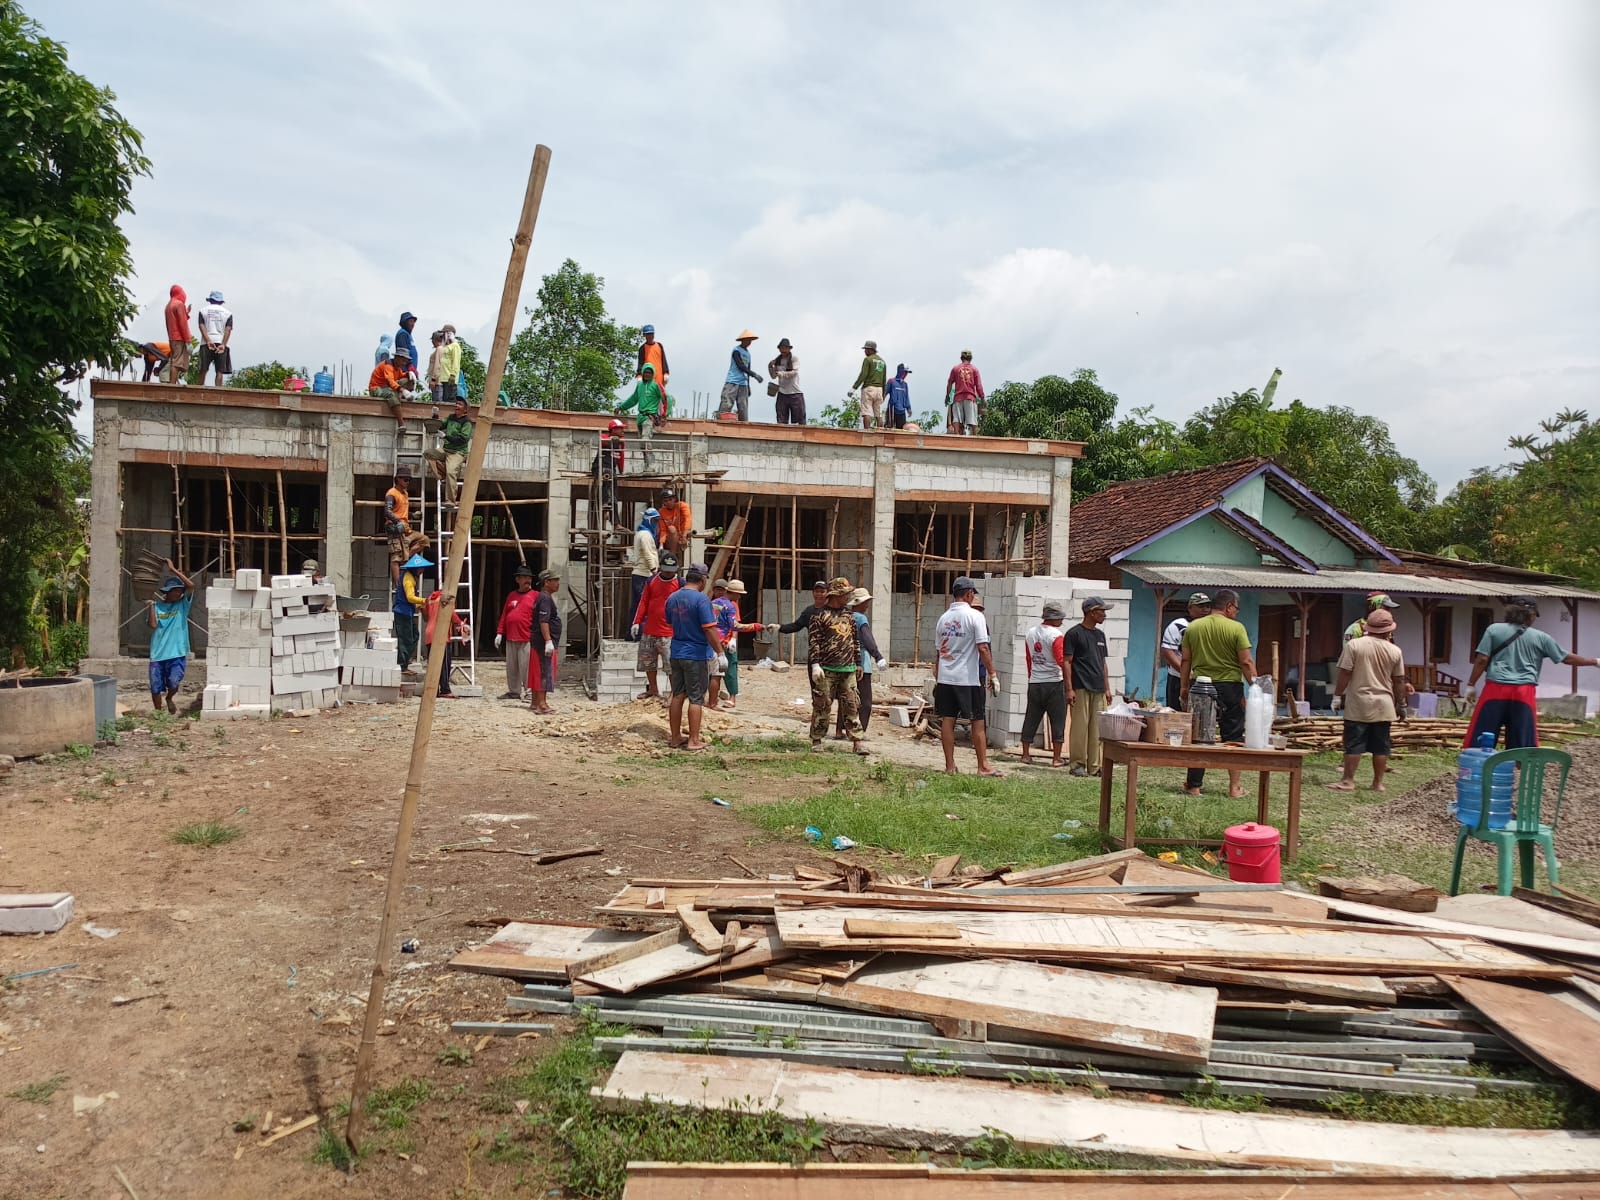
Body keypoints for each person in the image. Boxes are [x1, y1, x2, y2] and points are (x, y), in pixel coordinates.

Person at [1463, 597, 1598, 749]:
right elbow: (1566, 658)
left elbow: (1482, 659)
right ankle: (1521, 769)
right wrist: (1594, 661)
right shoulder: (1541, 637)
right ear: (1531, 615)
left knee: (1483, 734)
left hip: (1496, 689)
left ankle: (1477, 766)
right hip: (1524, 691)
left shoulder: (1494, 630)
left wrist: (1471, 684)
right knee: (1523, 739)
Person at [1180, 588, 1256, 798]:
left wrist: (1184, 687)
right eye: (1236, 609)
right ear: (1229, 606)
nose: (1236, 613)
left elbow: (1185, 660)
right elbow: (1246, 661)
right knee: (1233, 736)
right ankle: (1234, 787)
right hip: (1230, 686)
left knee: (1199, 735)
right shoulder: (1236, 628)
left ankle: (1194, 785)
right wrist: (1256, 687)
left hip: (1200, 686)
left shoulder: (1193, 627)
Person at [1330, 608, 1408, 791]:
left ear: (1368, 627)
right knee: (1381, 745)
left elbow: (1345, 673)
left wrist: (1337, 695)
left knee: (1354, 743)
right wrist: (1401, 704)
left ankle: (1348, 781)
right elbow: (1399, 680)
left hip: (1359, 702)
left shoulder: (1355, 645)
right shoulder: (1395, 651)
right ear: (1389, 630)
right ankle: (1378, 783)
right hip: (1384, 704)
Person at [934, 577, 1001, 776]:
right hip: (968, 679)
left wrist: (939, 676)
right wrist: (993, 674)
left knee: (948, 720)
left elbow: (938, 652)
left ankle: (950, 766)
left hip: (946, 678)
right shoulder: (975, 616)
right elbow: (982, 647)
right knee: (977, 721)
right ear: (970, 594)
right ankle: (983, 766)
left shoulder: (943, 618)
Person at [663, 564, 724, 751]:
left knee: (678, 694)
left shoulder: (672, 598)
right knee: (696, 698)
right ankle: (694, 740)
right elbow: (709, 628)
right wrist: (720, 652)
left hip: (676, 652)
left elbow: (668, 621)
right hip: (695, 654)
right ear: (703, 580)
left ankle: (675, 738)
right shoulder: (701, 600)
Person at [808, 578, 868, 754]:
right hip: (826, 669)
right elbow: (814, 643)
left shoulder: (849, 616)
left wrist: (858, 663)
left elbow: (855, 641)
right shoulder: (819, 616)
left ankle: (857, 742)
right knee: (822, 705)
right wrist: (815, 665)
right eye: (845, 594)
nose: (848, 597)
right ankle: (817, 740)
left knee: (852, 705)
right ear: (837, 595)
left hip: (847, 669)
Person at [1063, 598, 1115, 777]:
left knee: (1097, 729)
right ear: (1092, 612)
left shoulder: (1100, 636)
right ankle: (1077, 764)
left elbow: (1103, 663)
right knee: (1080, 727)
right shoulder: (1074, 634)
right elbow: (1067, 662)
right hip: (1081, 687)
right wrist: (1069, 689)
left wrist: (1107, 687)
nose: (1104, 614)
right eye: (1102, 611)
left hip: (1099, 688)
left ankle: (1095, 766)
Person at [1020, 600, 1070, 767]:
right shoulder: (1056, 635)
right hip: (1054, 682)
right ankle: (1056, 758)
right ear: (1054, 618)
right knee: (1057, 720)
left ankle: (1025, 754)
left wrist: (1031, 677)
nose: (1062, 621)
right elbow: (1061, 660)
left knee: (1031, 718)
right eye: (1060, 618)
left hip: (1035, 682)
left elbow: (1029, 658)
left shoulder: (1030, 633)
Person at [147, 560, 196, 713]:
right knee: (155, 688)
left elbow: (191, 586)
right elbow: (153, 625)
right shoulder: (157, 606)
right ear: (167, 592)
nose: (178, 593)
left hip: (177, 652)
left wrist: (174, 569)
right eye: (174, 591)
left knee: (174, 683)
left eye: (179, 591)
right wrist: (151, 606)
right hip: (158, 654)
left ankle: (169, 698)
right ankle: (158, 712)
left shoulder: (182, 605)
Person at [630, 552, 681, 700]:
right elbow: (644, 601)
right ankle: (653, 689)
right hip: (650, 630)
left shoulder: (680, 584)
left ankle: (674, 693)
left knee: (671, 665)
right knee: (648, 662)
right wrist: (636, 621)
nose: (667, 573)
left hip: (669, 632)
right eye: (665, 569)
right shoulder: (651, 581)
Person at [839, 587, 886, 737]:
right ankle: (860, 731)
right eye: (866, 602)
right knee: (865, 702)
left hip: (845, 661)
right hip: (862, 664)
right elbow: (868, 639)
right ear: (859, 603)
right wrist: (878, 656)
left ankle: (840, 730)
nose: (868, 605)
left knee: (847, 697)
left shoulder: (845, 616)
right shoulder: (860, 619)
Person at [716, 580, 763, 710]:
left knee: (714, 671)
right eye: (739, 594)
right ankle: (729, 698)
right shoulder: (730, 606)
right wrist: (755, 626)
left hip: (712, 642)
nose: (740, 596)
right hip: (724, 641)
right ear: (734, 593)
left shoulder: (712, 604)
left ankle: (711, 700)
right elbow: (735, 625)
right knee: (729, 668)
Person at [1160, 592, 1212, 709]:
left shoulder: (1212, 627)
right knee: (1177, 714)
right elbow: (1168, 651)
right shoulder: (1179, 625)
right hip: (1178, 679)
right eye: (1200, 606)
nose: (1205, 609)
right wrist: (1187, 673)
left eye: (1207, 606)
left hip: (1205, 680)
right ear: (1190, 608)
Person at [495, 562, 537, 701]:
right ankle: (514, 691)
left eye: (529, 577)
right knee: (512, 667)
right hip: (511, 637)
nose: (527, 580)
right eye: (524, 577)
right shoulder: (512, 595)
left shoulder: (535, 596)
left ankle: (530, 692)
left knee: (526, 667)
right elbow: (505, 615)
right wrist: (500, 632)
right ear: (517, 579)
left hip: (526, 637)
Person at [616, 363, 670, 465]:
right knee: (642, 445)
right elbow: (633, 399)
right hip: (640, 417)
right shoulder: (640, 386)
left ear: (652, 374)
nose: (647, 374)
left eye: (649, 372)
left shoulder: (656, 385)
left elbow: (667, 399)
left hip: (649, 417)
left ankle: (651, 466)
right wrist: (621, 407)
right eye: (645, 372)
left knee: (646, 440)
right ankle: (647, 466)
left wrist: (664, 415)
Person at [384, 465, 428, 586]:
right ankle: (398, 586)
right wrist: (398, 522)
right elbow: (387, 511)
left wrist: (412, 515)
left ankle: (406, 555)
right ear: (398, 479)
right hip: (395, 529)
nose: (407, 482)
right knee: (395, 558)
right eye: (405, 479)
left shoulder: (405, 494)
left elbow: (399, 510)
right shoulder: (391, 494)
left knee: (424, 540)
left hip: (405, 529)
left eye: (409, 480)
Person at [423, 395, 472, 504]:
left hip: (458, 452)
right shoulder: (451, 417)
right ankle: (441, 475)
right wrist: (435, 417)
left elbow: (462, 439)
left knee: (451, 472)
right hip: (446, 450)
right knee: (428, 453)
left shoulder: (467, 422)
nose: (456, 406)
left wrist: (446, 437)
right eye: (456, 403)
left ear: (465, 409)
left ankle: (450, 500)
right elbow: (440, 426)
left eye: (459, 404)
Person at [423, 586, 468, 697]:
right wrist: (460, 624)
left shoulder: (431, 598)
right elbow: (451, 614)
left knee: (433, 664)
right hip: (440, 633)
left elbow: (426, 616)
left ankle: (433, 690)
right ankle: (445, 689)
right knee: (445, 664)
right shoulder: (446, 600)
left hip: (429, 633)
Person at [529, 569, 562, 714]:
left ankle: (535, 702)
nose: (558, 583)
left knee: (539, 670)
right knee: (544, 671)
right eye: (555, 580)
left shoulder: (542, 597)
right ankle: (542, 704)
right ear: (546, 582)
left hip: (538, 641)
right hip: (543, 642)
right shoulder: (545, 598)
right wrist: (548, 640)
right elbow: (543, 621)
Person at [774, 580, 829, 662]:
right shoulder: (809, 612)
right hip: (814, 654)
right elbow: (796, 626)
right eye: (816, 591)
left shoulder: (832, 611)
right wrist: (779, 627)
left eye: (822, 592)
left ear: (827, 593)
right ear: (813, 593)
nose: (819, 594)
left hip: (830, 653)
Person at [393, 553, 430, 672]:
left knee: (414, 636)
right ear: (416, 568)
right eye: (421, 568)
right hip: (402, 612)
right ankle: (402, 665)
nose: (422, 570)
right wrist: (425, 601)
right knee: (406, 639)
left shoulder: (409, 577)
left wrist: (419, 605)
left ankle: (404, 661)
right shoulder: (408, 579)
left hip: (406, 612)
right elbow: (410, 597)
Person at [630, 508, 661, 639]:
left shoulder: (642, 533)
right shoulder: (645, 535)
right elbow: (648, 554)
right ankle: (637, 634)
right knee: (642, 605)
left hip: (642, 573)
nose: (656, 523)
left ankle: (633, 633)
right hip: (643, 573)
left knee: (638, 604)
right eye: (654, 520)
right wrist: (654, 570)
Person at [719, 330, 763, 421]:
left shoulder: (748, 354)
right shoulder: (736, 350)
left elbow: (747, 368)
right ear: (742, 340)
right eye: (747, 340)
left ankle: (743, 426)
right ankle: (720, 423)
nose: (749, 342)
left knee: (743, 407)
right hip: (732, 381)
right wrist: (754, 374)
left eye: (750, 340)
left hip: (743, 384)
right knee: (726, 404)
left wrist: (749, 385)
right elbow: (740, 365)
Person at [369, 346, 416, 425]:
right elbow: (390, 381)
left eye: (406, 361)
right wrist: (402, 390)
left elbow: (401, 375)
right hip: (377, 388)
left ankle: (403, 399)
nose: (404, 363)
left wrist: (408, 374)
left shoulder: (397, 367)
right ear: (397, 358)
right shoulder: (388, 366)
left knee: (408, 380)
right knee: (391, 394)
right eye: (403, 361)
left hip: (388, 387)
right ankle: (401, 423)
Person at [594, 419, 626, 529]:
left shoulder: (621, 443)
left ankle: (616, 523)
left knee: (614, 495)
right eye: (620, 428)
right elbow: (602, 441)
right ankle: (605, 505)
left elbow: (621, 457)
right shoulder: (604, 436)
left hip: (611, 469)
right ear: (613, 430)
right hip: (600, 467)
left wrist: (621, 470)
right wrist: (612, 439)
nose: (623, 431)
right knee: (607, 479)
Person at [197, 290, 233, 385]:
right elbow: (228, 330)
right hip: (220, 341)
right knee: (219, 371)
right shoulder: (228, 313)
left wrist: (208, 340)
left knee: (203, 369)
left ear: (210, 300)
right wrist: (223, 344)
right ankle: (218, 393)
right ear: (221, 302)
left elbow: (201, 326)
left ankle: (198, 391)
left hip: (206, 343)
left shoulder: (203, 311)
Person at [946, 350, 985, 435]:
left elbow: (949, 383)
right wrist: (982, 397)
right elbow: (978, 385)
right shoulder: (974, 369)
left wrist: (947, 396)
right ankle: (975, 437)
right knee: (973, 419)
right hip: (970, 397)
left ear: (961, 358)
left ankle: (956, 434)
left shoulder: (955, 368)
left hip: (958, 398)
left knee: (956, 418)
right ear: (970, 358)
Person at [852, 340, 887, 429]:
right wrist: (883, 393)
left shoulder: (868, 360)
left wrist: (854, 387)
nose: (865, 351)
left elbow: (863, 375)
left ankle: (866, 432)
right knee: (878, 414)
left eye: (866, 349)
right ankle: (880, 432)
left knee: (866, 412)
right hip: (879, 389)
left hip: (869, 388)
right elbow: (884, 379)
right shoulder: (882, 362)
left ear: (871, 350)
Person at [769, 338, 804, 425]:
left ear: (789, 349)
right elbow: (773, 376)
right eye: (781, 348)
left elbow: (795, 372)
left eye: (785, 348)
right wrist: (770, 367)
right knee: (781, 420)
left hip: (795, 392)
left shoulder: (794, 359)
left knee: (799, 420)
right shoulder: (777, 360)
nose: (783, 350)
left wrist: (781, 374)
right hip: (782, 392)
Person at [163, 285, 192, 383]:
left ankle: (172, 383)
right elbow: (182, 324)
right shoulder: (179, 304)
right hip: (179, 337)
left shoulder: (168, 305)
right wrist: (188, 341)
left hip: (172, 337)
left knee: (174, 361)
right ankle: (172, 385)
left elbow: (175, 318)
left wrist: (186, 312)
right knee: (176, 363)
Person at [657, 488, 692, 557]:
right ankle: (672, 556)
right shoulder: (661, 511)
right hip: (668, 540)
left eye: (670, 499)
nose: (669, 502)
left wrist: (684, 536)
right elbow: (663, 529)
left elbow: (688, 519)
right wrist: (661, 544)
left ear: (674, 499)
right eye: (666, 501)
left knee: (677, 529)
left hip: (682, 538)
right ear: (663, 502)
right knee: (671, 528)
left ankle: (672, 556)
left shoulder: (682, 506)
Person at [636, 324, 669, 392]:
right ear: (644, 335)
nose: (650, 336)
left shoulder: (659, 346)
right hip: (647, 378)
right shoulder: (642, 348)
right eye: (648, 334)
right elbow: (640, 363)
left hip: (659, 378)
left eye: (651, 333)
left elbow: (664, 360)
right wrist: (639, 375)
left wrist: (666, 373)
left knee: (660, 398)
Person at [438, 324, 462, 403]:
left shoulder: (455, 346)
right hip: (443, 378)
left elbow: (456, 361)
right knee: (445, 400)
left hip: (450, 378)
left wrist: (453, 375)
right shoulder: (446, 346)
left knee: (450, 401)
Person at [885, 364, 913, 430]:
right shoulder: (891, 381)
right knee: (890, 429)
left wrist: (909, 409)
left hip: (902, 411)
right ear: (900, 371)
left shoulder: (905, 384)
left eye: (907, 373)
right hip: (892, 409)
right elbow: (884, 393)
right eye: (905, 372)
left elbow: (906, 397)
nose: (906, 374)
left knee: (902, 430)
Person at [395, 311, 420, 379]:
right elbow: (403, 353)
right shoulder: (402, 334)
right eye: (410, 321)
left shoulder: (408, 334)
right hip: (405, 370)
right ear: (404, 323)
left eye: (413, 322)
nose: (413, 324)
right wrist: (410, 366)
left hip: (409, 371)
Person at [425, 329, 445, 402]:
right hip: (439, 381)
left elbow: (437, 365)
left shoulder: (439, 349)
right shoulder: (443, 349)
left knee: (437, 404)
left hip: (437, 382)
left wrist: (433, 380)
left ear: (435, 339)